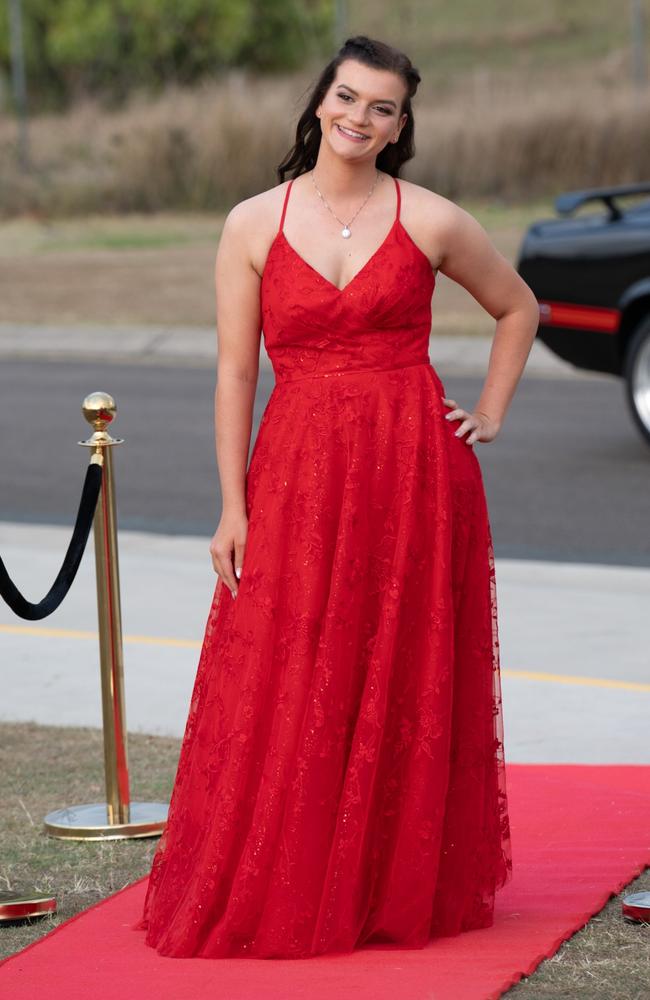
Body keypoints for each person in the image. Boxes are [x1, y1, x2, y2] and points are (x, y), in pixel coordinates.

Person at [134, 34, 539, 960]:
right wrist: (232, 507)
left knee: (400, 667)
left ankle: (386, 884)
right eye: (348, 98)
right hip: (298, 474)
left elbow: (518, 308)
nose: (360, 118)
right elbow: (236, 374)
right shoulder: (252, 223)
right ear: (321, 102)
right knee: (294, 667)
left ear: (401, 125)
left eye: (382, 107)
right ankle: (297, 877)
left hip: (416, 474)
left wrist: (489, 411)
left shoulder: (431, 219)